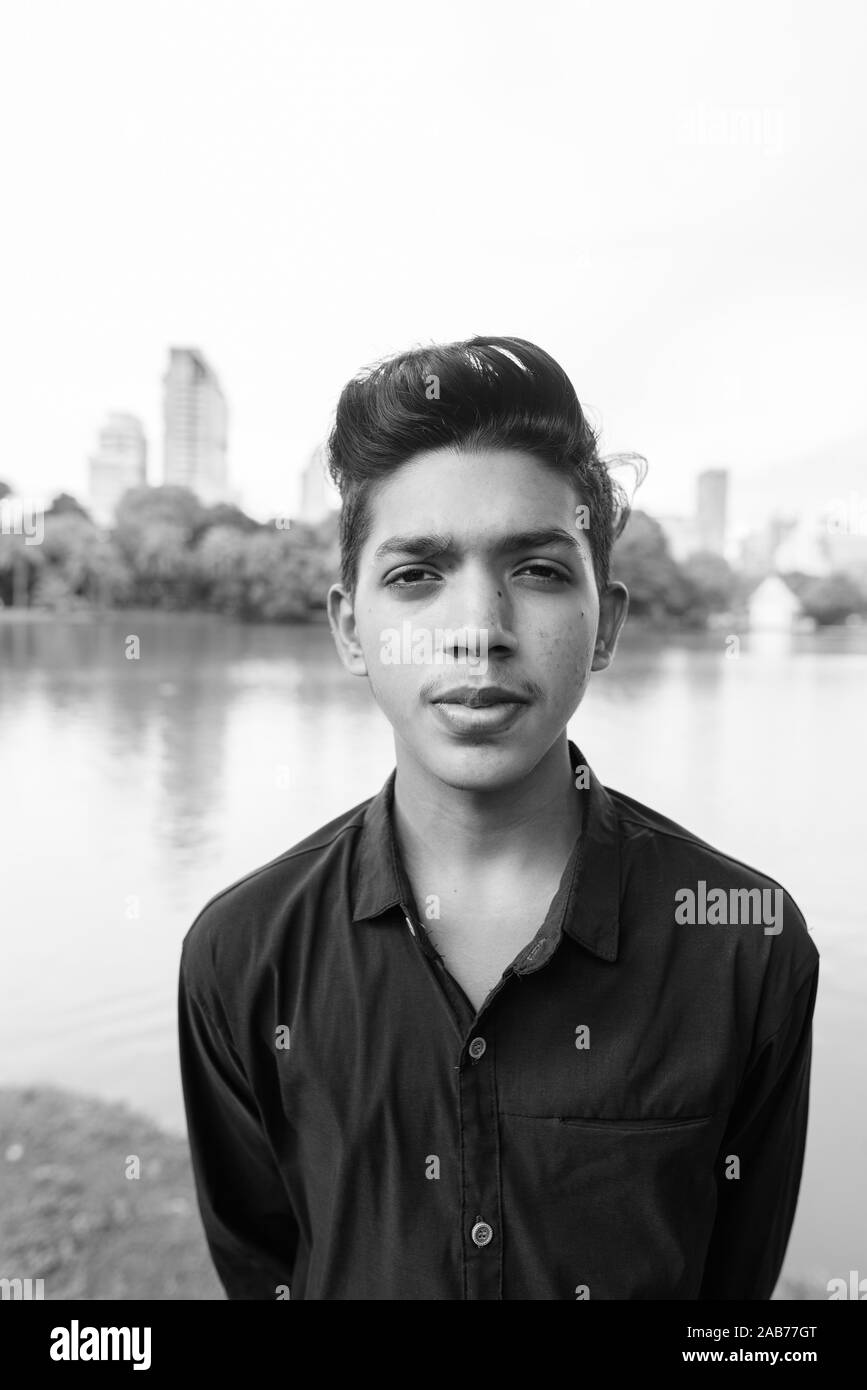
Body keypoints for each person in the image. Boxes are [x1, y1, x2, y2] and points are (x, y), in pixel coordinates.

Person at [178, 335, 819, 1300]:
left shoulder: (743, 945)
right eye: (417, 574)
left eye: (538, 570)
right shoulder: (242, 956)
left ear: (605, 624)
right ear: (351, 627)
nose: (478, 627)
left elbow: (731, 1300)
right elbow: (263, 1262)